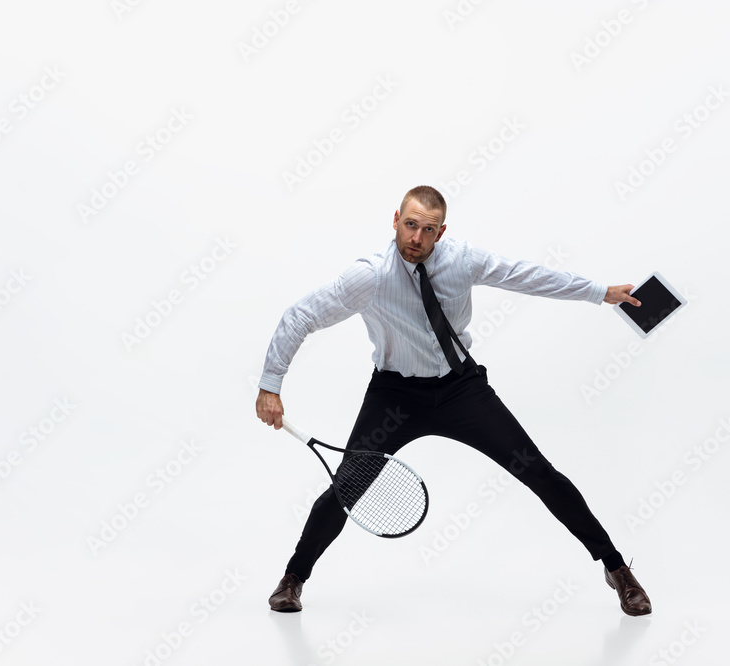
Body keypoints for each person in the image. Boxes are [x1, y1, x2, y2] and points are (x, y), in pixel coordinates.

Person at [255, 185, 652, 616]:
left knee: (539, 472)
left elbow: (527, 275)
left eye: (427, 230)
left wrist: (599, 292)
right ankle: (293, 578)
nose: (416, 238)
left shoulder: (462, 260)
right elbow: (301, 315)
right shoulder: (369, 276)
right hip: (395, 396)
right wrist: (270, 384)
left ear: (441, 232)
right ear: (395, 220)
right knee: (346, 489)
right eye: (410, 225)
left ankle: (616, 569)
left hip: (460, 389)